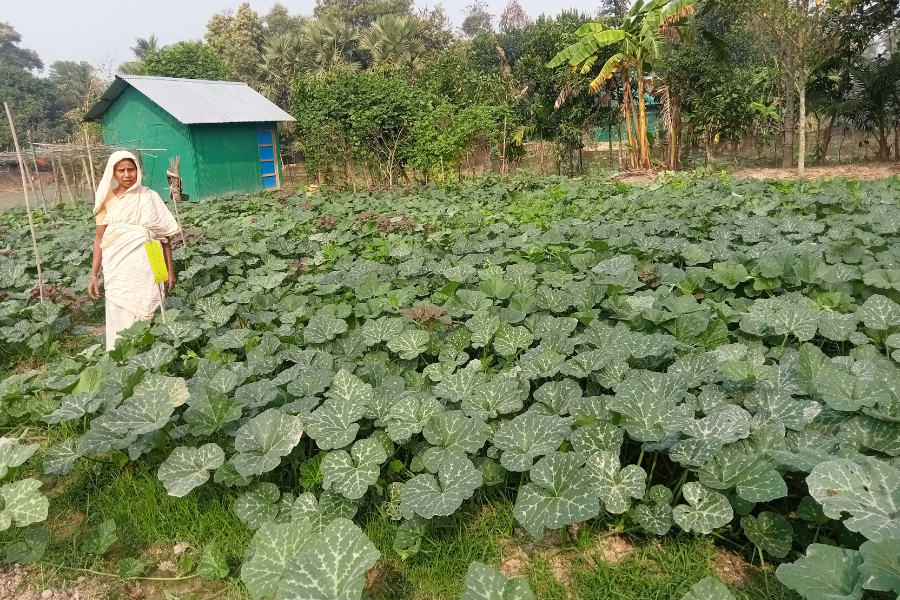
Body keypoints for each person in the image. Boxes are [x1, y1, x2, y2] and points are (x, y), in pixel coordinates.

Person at [88, 151, 182, 351]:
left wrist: (169, 270)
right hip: (117, 263)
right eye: (121, 170)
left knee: (151, 299)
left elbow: (164, 237)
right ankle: (120, 350)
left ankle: (150, 350)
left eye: (131, 169)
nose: (127, 174)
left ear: (137, 171)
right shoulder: (105, 200)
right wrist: (94, 274)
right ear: (113, 173)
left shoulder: (149, 196)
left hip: (151, 253)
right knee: (119, 303)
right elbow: (100, 238)